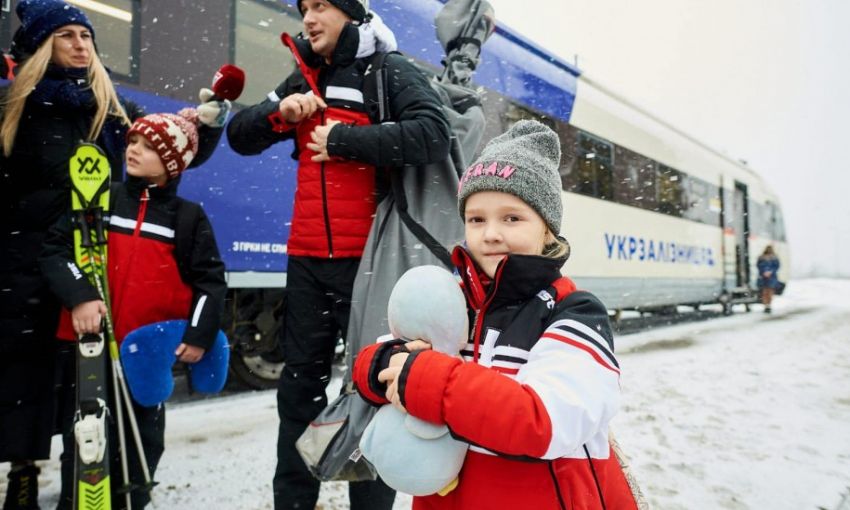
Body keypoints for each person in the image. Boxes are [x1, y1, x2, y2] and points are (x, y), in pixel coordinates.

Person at [226, 0, 450, 508]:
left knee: (375, 389)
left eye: (321, 5)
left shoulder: (386, 70)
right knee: (297, 394)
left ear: (350, 13)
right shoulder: (304, 76)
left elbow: (433, 134)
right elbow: (240, 138)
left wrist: (347, 139)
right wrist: (276, 112)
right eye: (303, 7)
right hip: (306, 261)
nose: (308, 17)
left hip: (372, 265)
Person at [353, 120, 640, 509]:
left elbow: (543, 422)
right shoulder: (453, 301)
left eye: (512, 218)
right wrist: (383, 364)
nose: (490, 233)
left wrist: (422, 378)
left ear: (548, 231)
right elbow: (378, 361)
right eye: (476, 219)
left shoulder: (573, 313)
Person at [38, 108, 227, 509]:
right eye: (132, 142)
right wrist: (80, 294)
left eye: (148, 146)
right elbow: (56, 250)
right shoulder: (99, 200)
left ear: (172, 162)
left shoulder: (186, 217)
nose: (133, 150)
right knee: (87, 438)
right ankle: (79, 500)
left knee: (143, 438)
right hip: (91, 347)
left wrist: (198, 336)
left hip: (145, 353)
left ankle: (133, 499)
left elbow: (209, 282)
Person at [0, 1, 139, 507]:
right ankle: (22, 474)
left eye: (86, 35)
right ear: (42, 46)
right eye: (66, 35)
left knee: (84, 385)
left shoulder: (107, 107)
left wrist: (206, 124)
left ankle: (85, 483)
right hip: (24, 264)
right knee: (26, 381)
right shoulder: (16, 106)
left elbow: (159, 156)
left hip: (90, 260)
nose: (81, 45)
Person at [756, 245, 780, 313]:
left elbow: (776, 267)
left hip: (771, 278)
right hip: (764, 278)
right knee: (765, 292)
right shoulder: (762, 258)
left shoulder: (774, 258)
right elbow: (759, 266)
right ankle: (766, 305)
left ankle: (768, 305)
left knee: (769, 292)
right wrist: (764, 272)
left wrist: (770, 272)